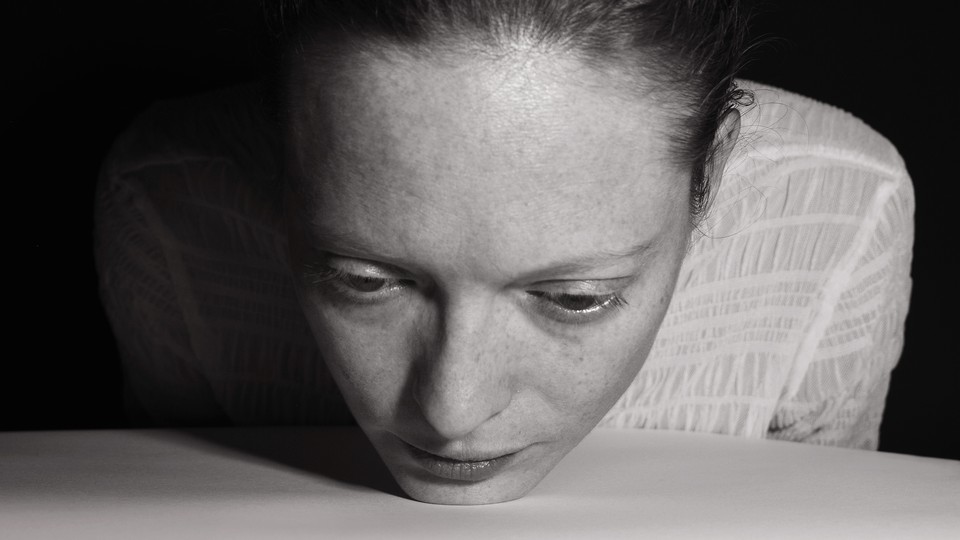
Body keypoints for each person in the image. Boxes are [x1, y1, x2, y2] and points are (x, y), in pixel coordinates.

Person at [94, 0, 914, 505]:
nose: (452, 414)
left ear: (713, 176)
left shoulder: (839, 211)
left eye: (575, 297)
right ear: (283, 164)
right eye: (365, 281)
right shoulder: (168, 206)